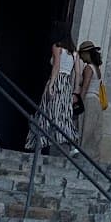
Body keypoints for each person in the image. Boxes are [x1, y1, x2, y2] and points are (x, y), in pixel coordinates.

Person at [26, 24, 77, 153]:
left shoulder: (57, 47)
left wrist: (50, 85)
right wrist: (75, 91)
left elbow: (56, 66)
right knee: (63, 114)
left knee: (47, 112)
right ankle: (71, 144)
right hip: (66, 84)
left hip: (57, 81)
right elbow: (76, 73)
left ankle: (40, 145)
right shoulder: (73, 52)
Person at [75, 42, 104, 153]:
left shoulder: (89, 68)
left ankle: (81, 155)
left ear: (86, 53)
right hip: (96, 102)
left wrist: (79, 103)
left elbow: (85, 86)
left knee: (84, 129)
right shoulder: (97, 68)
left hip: (89, 100)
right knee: (93, 132)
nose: (81, 57)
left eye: (81, 54)